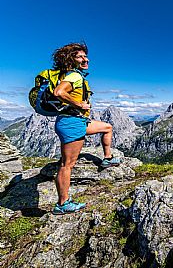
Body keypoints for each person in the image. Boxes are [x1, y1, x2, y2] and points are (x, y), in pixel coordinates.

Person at [51, 42, 121, 215]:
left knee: (107, 127)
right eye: (80, 56)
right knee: (67, 165)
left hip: (78, 122)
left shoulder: (73, 75)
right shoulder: (74, 76)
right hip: (72, 123)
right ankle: (63, 203)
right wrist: (79, 104)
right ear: (71, 60)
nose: (85, 59)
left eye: (85, 56)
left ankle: (107, 158)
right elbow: (59, 93)